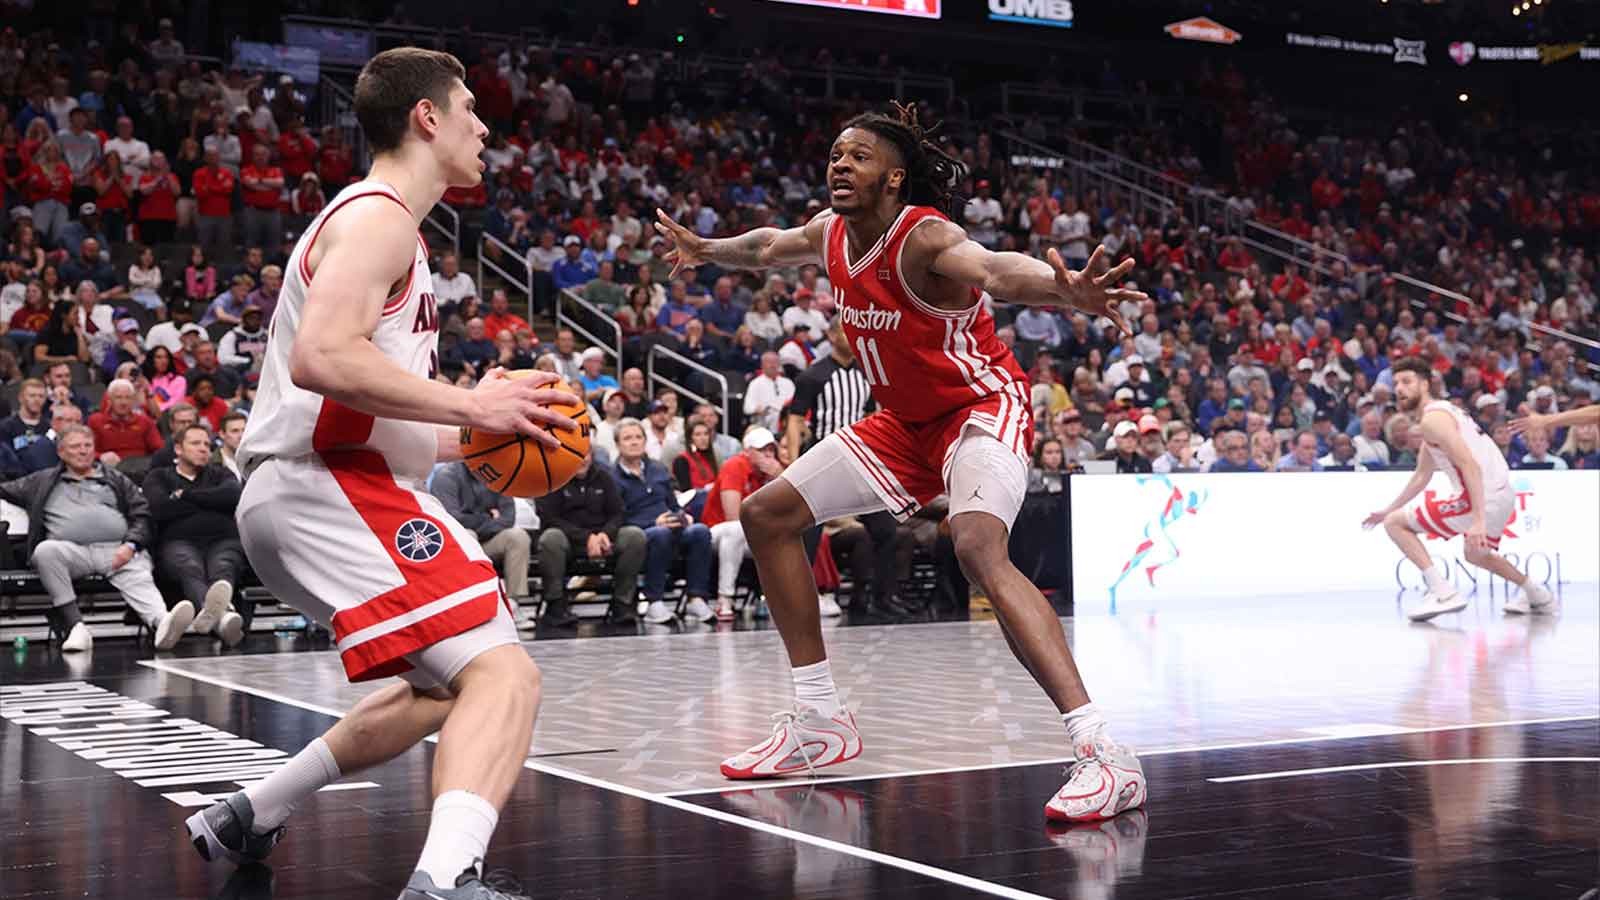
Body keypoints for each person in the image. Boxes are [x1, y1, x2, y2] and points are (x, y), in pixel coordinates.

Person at [654, 102, 1147, 821]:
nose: (839, 165)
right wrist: (706, 249)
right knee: (767, 514)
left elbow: (997, 271)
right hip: (903, 425)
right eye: (834, 154)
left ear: (893, 178)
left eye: (857, 157)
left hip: (979, 407)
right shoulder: (829, 234)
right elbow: (766, 246)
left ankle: (1104, 751)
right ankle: (821, 721)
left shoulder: (924, 237)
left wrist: (1062, 291)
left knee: (978, 546)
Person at [186, 48, 580, 900]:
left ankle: (250, 813)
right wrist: (472, 408)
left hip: (317, 486)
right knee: (505, 673)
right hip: (329, 482)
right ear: (427, 118)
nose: (484, 125)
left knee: (444, 690)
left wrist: (466, 430)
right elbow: (322, 358)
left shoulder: (392, 226)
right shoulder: (379, 217)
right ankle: (444, 883)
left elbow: (359, 392)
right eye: (470, 107)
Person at [1362, 358, 1555, 622]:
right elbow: (1422, 475)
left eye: (1407, 382)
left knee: (1396, 524)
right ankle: (1536, 593)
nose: (1399, 389)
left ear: (1425, 384)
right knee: (1476, 554)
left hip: (1483, 495)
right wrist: (1388, 509)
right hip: (1501, 492)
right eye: (1396, 383)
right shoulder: (1443, 413)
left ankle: (1442, 591)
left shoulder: (1433, 420)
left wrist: (1477, 521)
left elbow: (1469, 466)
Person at [0, 425, 194, 652]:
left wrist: (131, 544)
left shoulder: (115, 478)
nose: (83, 451)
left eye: (87, 446)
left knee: (137, 573)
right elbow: (4, 489)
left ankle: (162, 623)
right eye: (75, 446)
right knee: (45, 551)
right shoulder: (42, 481)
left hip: (117, 551)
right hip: (72, 553)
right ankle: (76, 627)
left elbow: (142, 514)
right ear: (61, 452)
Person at [143, 424, 247, 647]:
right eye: (196, 443)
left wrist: (185, 496)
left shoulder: (220, 472)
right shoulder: (159, 476)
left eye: (207, 444)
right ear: (178, 449)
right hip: (178, 542)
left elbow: (232, 496)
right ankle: (224, 618)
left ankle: (219, 617)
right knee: (189, 566)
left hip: (223, 540)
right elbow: (160, 508)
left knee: (223, 565)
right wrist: (211, 503)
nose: (203, 449)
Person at [612, 417, 714, 624]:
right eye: (627, 438)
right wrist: (653, 522)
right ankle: (654, 601)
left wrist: (681, 515)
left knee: (700, 531)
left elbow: (672, 502)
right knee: (660, 533)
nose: (634, 442)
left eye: (638, 437)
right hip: (639, 532)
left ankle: (696, 598)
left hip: (670, 523)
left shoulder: (658, 469)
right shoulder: (612, 477)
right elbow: (617, 518)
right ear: (618, 444)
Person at [533, 453, 646, 627]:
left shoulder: (603, 476)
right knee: (550, 538)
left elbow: (618, 512)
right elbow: (549, 518)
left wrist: (604, 534)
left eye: (585, 454)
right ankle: (555, 605)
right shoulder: (552, 479)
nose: (582, 459)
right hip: (568, 540)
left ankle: (623, 603)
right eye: (576, 455)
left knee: (634, 535)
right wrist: (586, 538)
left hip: (602, 538)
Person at [703, 426, 785, 620]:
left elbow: (785, 512)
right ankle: (725, 598)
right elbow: (733, 515)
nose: (768, 455)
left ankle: (775, 601)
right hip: (716, 531)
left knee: (783, 539)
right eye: (761, 450)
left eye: (771, 449)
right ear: (747, 451)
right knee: (736, 530)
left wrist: (780, 478)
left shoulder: (771, 471)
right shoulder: (735, 465)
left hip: (751, 534)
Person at [431, 461, 533, 604]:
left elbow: (508, 519)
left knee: (518, 536)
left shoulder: (498, 476)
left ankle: (514, 602)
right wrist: (488, 517)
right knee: (468, 534)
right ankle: (470, 603)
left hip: (488, 541)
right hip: (458, 546)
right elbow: (452, 520)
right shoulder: (447, 476)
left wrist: (475, 521)